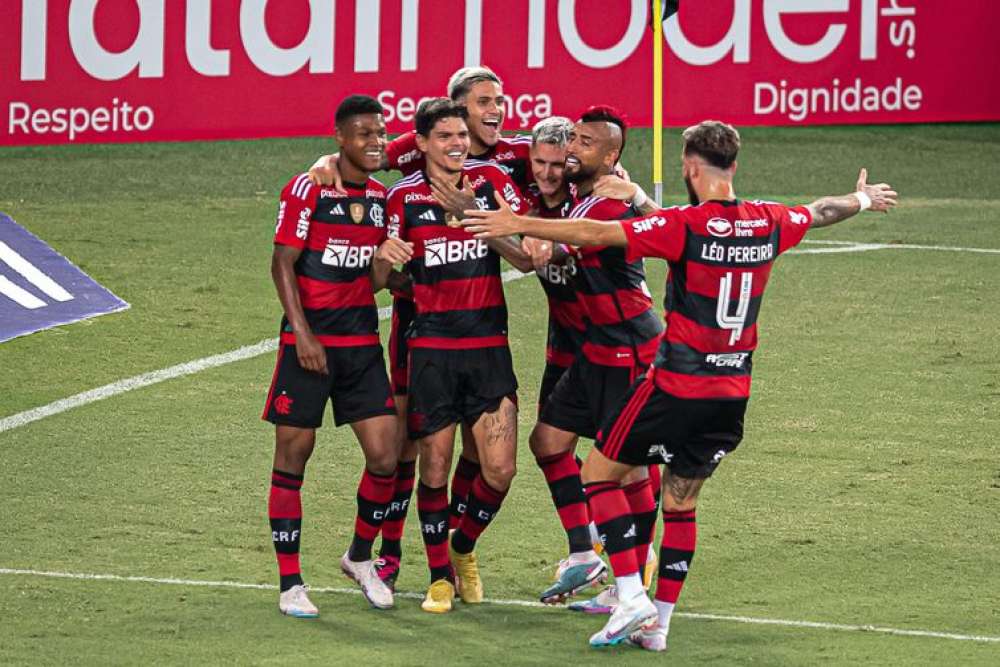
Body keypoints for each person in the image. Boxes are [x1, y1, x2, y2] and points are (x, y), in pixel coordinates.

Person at [461, 119, 898, 649]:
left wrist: (518, 219)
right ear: (733, 165)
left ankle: (629, 593)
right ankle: (659, 625)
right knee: (682, 503)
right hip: (733, 391)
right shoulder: (771, 219)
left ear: (690, 167)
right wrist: (861, 196)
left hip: (677, 382)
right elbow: (823, 210)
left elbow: (597, 234)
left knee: (599, 474)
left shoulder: (686, 226)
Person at [374, 98, 530, 614]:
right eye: (445, 136)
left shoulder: (491, 185)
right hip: (433, 348)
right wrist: (388, 267)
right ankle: (439, 576)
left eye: (462, 135)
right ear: (421, 143)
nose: (459, 144)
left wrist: (476, 218)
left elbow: (526, 260)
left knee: (500, 470)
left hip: (488, 346)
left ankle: (462, 548)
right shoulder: (402, 198)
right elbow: (384, 278)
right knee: (434, 468)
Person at [263, 95, 405, 617]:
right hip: (308, 346)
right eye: (364, 134)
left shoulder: (383, 200)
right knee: (292, 460)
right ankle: (290, 583)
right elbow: (282, 263)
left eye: (381, 134)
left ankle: (360, 558)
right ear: (340, 138)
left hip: (361, 345)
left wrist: (388, 266)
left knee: (385, 454)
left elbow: (372, 283)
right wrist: (302, 335)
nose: (376, 142)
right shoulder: (308, 190)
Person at [524, 107, 663, 606]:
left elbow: (564, 246)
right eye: (571, 142)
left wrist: (514, 229)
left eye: (583, 144)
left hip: (626, 348)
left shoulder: (605, 199)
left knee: (624, 470)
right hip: (587, 349)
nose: (566, 155)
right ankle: (586, 556)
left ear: (609, 156)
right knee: (548, 443)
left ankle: (633, 577)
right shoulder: (574, 192)